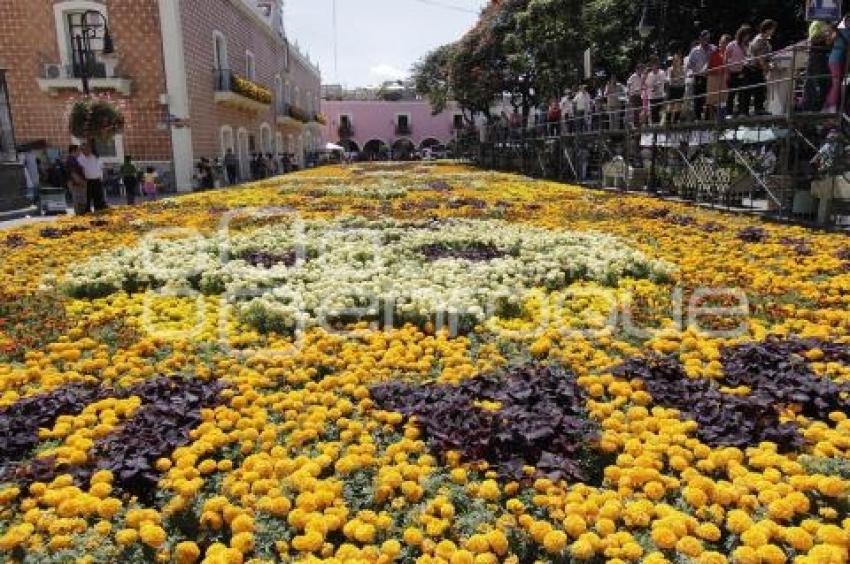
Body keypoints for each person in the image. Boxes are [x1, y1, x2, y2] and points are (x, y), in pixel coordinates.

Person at [743, 19, 778, 116]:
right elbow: (761, 59)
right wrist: (766, 69)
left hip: (755, 68)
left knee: (758, 89)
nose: (773, 31)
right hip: (752, 68)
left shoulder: (764, 40)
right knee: (754, 90)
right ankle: (752, 111)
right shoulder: (760, 40)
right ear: (767, 29)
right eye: (772, 29)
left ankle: (757, 109)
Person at [804, 19, 833, 112]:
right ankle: (812, 108)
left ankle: (814, 107)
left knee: (824, 82)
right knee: (817, 82)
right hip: (817, 56)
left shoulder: (824, 23)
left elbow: (828, 42)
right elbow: (813, 39)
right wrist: (826, 35)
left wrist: (830, 37)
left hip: (822, 56)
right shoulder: (817, 23)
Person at [687, 30, 716, 121]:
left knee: (709, 98)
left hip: (710, 77)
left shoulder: (713, 49)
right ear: (700, 39)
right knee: (698, 98)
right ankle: (698, 118)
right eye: (704, 38)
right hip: (699, 76)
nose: (706, 41)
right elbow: (689, 65)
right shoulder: (694, 51)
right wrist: (691, 73)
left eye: (708, 39)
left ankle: (708, 118)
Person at [726, 25, 754, 117]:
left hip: (744, 71)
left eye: (748, 35)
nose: (747, 37)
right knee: (731, 94)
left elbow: (749, 57)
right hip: (733, 72)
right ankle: (729, 113)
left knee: (743, 93)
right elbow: (726, 60)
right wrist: (727, 73)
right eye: (746, 34)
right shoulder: (731, 45)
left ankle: (742, 112)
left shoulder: (748, 45)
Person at [825, 14, 850, 113]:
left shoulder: (840, 31)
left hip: (838, 59)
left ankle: (834, 105)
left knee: (838, 83)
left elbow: (829, 41)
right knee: (836, 84)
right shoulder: (844, 31)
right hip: (837, 60)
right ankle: (831, 106)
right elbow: (829, 41)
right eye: (848, 21)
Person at [706, 34, 731, 120]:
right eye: (721, 42)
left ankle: (721, 118)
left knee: (723, 100)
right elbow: (709, 67)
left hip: (723, 79)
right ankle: (711, 121)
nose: (721, 44)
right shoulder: (714, 52)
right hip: (713, 78)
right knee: (711, 102)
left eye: (724, 43)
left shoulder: (728, 54)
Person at [77, 144, 107, 212]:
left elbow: (102, 167)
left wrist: (102, 177)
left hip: (97, 180)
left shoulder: (95, 157)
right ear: (82, 150)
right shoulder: (80, 159)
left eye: (88, 149)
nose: (86, 151)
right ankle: (87, 210)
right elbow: (80, 169)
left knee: (98, 197)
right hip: (88, 181)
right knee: (87, 197)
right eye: (84, 149)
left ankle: (99, 209)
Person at [65, 145, 87, 215]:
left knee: (81, 201)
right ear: (74, 151)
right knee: (79, 201)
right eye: (78, 151)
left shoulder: (74, 160)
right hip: (76, 184)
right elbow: (73, 173)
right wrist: (81, 182)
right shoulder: (71, 160)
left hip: (77, 183)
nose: (80, 153)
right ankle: (80, 216)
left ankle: (81, 214)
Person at [645, 56, 667, 125]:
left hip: (660, 96)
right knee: (654, 116)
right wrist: (652, 87)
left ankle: (662, 130)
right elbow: (647, 85)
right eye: (653, 64)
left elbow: (665, 82)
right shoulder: (649, 75)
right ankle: (655, 133)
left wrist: (665, 92)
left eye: (655, 63)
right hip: (652, 97)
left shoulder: (662, 72)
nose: (654, 65)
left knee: (662, 114)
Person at [666, 53, 687, 123]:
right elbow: (669, 79)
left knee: (679, 105)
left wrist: (678, 79)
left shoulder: (683, 69)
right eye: (675, 60)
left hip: (680, 88)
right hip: (672, 88)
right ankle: (668, 121)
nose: (676, 61)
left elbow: (683, 79)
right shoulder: (670, 69)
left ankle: (675, 121)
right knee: (670, 106)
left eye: (678, 59)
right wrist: (674, 79)